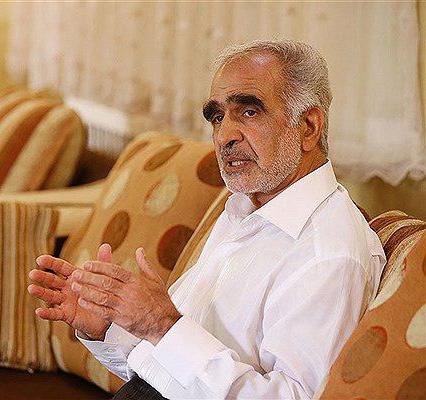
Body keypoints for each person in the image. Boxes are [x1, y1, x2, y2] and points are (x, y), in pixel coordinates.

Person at [28, 40, 386, 399]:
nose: (224, 136)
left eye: (249, 112)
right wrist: (108, 330)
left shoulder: (328, 253)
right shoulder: (242, 210)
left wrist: (163, 324)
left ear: (308, 126)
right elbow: (179, 377)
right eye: (217, 118)